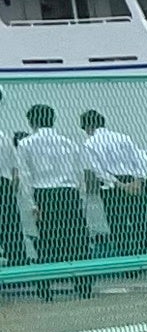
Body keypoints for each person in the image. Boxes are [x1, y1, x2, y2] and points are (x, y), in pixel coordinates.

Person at [11, 104, 90, 291]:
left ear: (31, 122)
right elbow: (80, 173)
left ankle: (46, 285)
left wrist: (31, 203)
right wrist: (81, 196)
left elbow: (26, 176)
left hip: (44, 194)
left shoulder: (25, 144)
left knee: (47, 240)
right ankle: (83, 283)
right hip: (68, 193)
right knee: (76, 239)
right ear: (53, 120)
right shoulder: (69, 143)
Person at [80, 108, 147, 258]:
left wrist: (121, 185)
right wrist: (137, 181)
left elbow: (100, 172)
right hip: (133, 181)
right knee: (139, 223)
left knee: (118, 226)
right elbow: (139, 160)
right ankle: (144, 258)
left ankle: (126, 261)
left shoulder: (89, 143)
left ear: (88, 127)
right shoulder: (123, 137)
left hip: (112, 187)